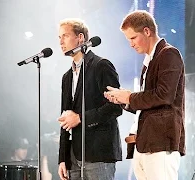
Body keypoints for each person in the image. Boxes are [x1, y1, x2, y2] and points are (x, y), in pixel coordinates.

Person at [104, 10, 185, 180]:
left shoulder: (169, 54)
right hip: (145, 144)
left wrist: (130, 97)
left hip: (160, 144)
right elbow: (149, 105)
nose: (131, 44)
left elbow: (164, 96)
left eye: (133, 38)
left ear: (147, 31)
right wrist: (123, 101)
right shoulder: (149, 61)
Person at [57, 18, 122, 180]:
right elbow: (65, 118)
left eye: (65, 36)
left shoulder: (101, 65)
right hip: (74, 156)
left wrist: (80, 118)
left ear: (80, 38)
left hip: (99, 153)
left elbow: (115, 107)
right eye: (59, 38)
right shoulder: (67, 77)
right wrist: (62, 158)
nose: (61, 42)